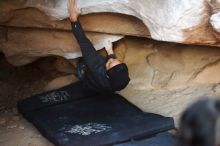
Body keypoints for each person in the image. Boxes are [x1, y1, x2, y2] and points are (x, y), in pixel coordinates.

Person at [68, 0, 130, 94]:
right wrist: (110, 51)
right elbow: (114, 66)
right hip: (104, 87)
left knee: (84, 66)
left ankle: (81, 74)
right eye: (117, 61)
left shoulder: (95, 66)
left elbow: (83, 42)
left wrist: (74, 20)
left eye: (109, 64)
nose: (111, 60)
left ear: (107, 75)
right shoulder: (118, 83)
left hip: (89, 83)